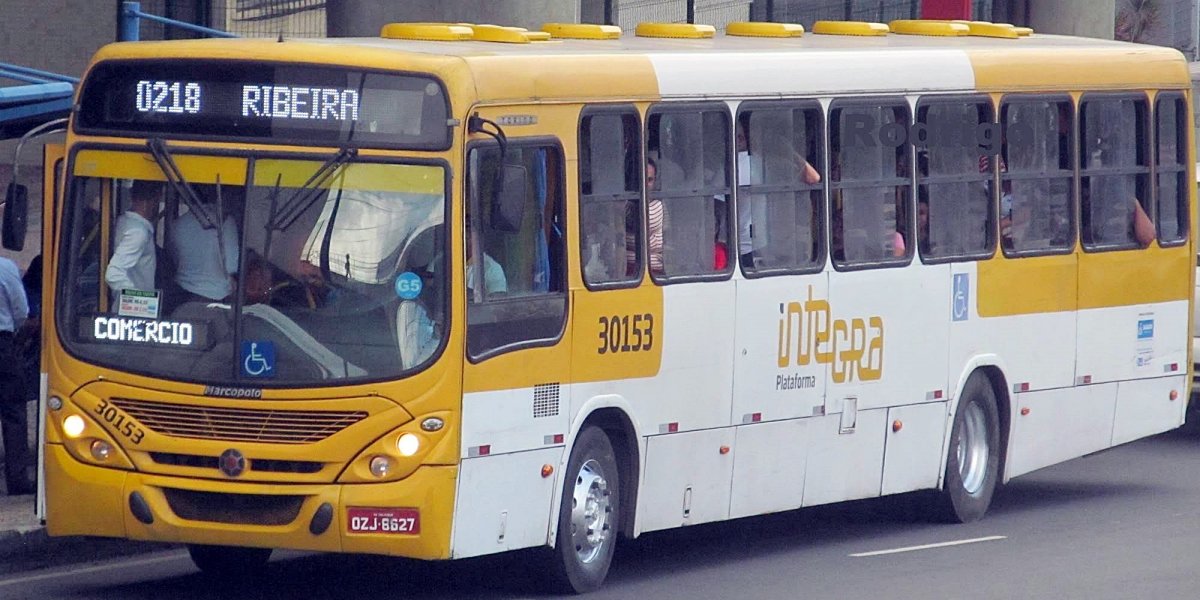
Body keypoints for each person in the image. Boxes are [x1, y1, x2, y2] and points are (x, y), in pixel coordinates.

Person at [172, 185, 241, 304]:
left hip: (182, 294)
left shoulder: (178, 224)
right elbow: (231, 266)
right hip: (216, 296)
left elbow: (174, 260)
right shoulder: (226, 222)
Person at [0, 256, 32, 495]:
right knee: (13, 412)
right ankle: (17, 480)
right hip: (3, 344)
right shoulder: (5, 267)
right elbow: (21, 310)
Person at [104, 180, 160, 305]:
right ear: (150, 202)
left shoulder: (124, 222)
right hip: (134, 311)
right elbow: (114, 274)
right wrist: (140, 301)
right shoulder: (138, 232)